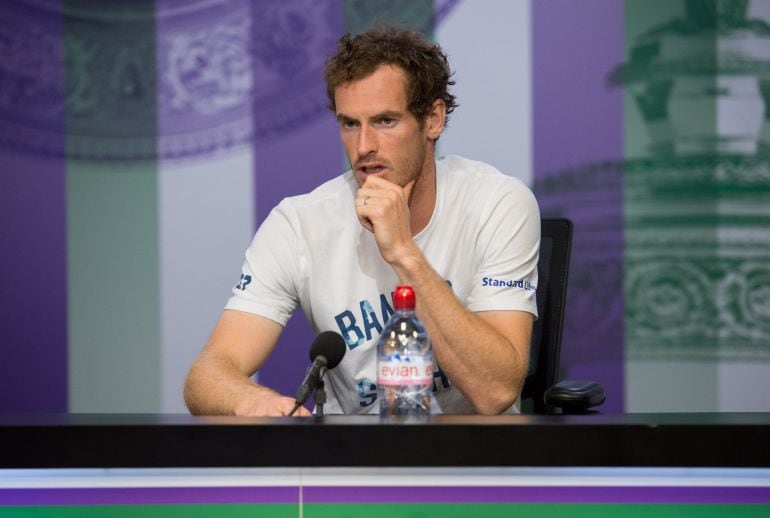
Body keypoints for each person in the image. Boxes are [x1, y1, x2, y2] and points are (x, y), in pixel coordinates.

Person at [183, 26, 540, 416]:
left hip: (477, 464)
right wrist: (249, 399)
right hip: (356, 464)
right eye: (350, 123)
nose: (364, 145)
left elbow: (496, 391)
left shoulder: (496, 203)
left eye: (385, 121)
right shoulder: (299, 223)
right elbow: (207, 374)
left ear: (433, 120)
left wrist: (404, 253)